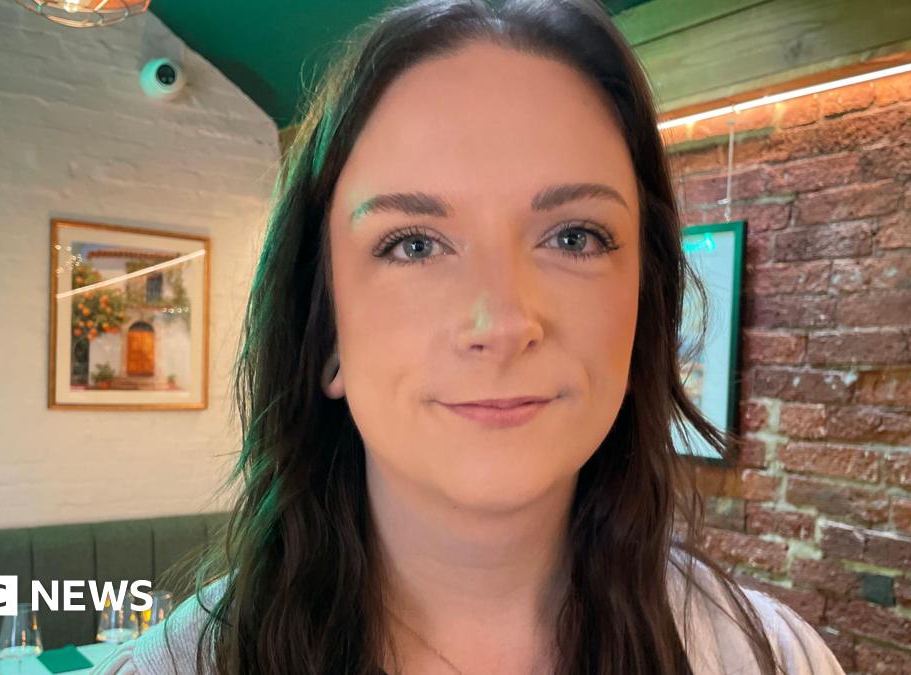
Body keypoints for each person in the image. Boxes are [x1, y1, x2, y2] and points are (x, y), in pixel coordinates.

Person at [93, 0, 847, 672]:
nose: (503, 322)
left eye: (576, 237)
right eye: (414, 244)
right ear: (326, 334)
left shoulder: (770, 658)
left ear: (644, 310)